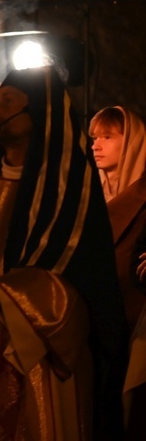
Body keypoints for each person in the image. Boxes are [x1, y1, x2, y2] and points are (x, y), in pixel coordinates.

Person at [0, 67, 127, 439]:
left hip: (34, 356)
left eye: (8, 102)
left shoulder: (67, 187)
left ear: (39, 113)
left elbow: (58, 292)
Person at [92, 106, 146, 438]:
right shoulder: (88, 194)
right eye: (95, 137)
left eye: (108, 137)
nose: (96, 145)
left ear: (133, 142)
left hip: (135, 320)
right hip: (96, 323)